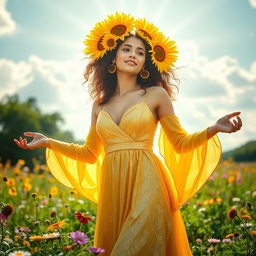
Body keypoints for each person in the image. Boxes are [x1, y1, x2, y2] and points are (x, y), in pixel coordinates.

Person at [14, 12, 242, 256]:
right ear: (113, 56)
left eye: (140, 52)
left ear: (146, 63)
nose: (133, 54)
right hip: (113, 190)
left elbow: (180, 143)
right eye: (126, 49)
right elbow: (89, 153)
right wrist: (49, 142)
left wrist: (214, 128)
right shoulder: (99, 104)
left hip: (149, 182)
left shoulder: (156, 94)